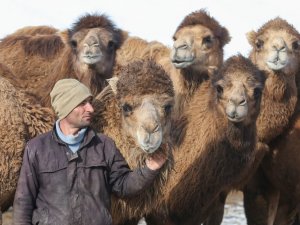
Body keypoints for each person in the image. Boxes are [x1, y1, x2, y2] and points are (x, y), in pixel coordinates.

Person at [13, 78, 166, 225]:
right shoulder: (37, 148)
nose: (91, 109)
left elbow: (123, 185)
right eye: (82, 103)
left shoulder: (104, 145)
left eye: (90, 102)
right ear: (66, 107)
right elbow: (23, 202)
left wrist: (149, 169)